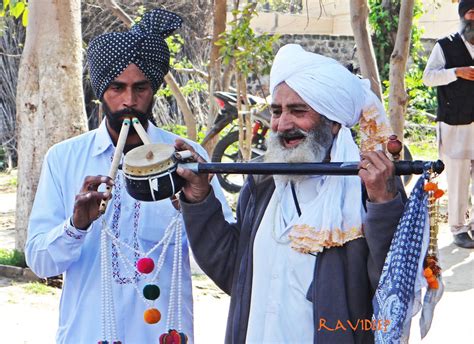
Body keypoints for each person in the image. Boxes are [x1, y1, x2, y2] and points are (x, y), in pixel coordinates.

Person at [176, 44, 407, 343]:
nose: (282, 124)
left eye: (298, 111)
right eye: (276, 111)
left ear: (334, 121)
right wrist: (199, 198)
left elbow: (394, 284)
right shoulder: (262, 184)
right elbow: (235, 271)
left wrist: (383, 204)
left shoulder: (367, 189)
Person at [25, 9, 232, 343]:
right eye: (117, 88)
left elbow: (219, 257)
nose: (129, 101)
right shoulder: (64, 158)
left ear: (154, 89)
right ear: (101, 89)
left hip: (165, 332)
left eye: (141, 88)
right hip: (87, 332)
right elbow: (40, 263)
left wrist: (197, 205)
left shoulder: (188, 157)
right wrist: (75, 226)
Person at [422, 0, 474, 249]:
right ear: (466, 16)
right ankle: (458, 228)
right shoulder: (445, 46)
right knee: (458, 176)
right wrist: (456, 72)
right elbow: (428, 77)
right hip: (455, 125)